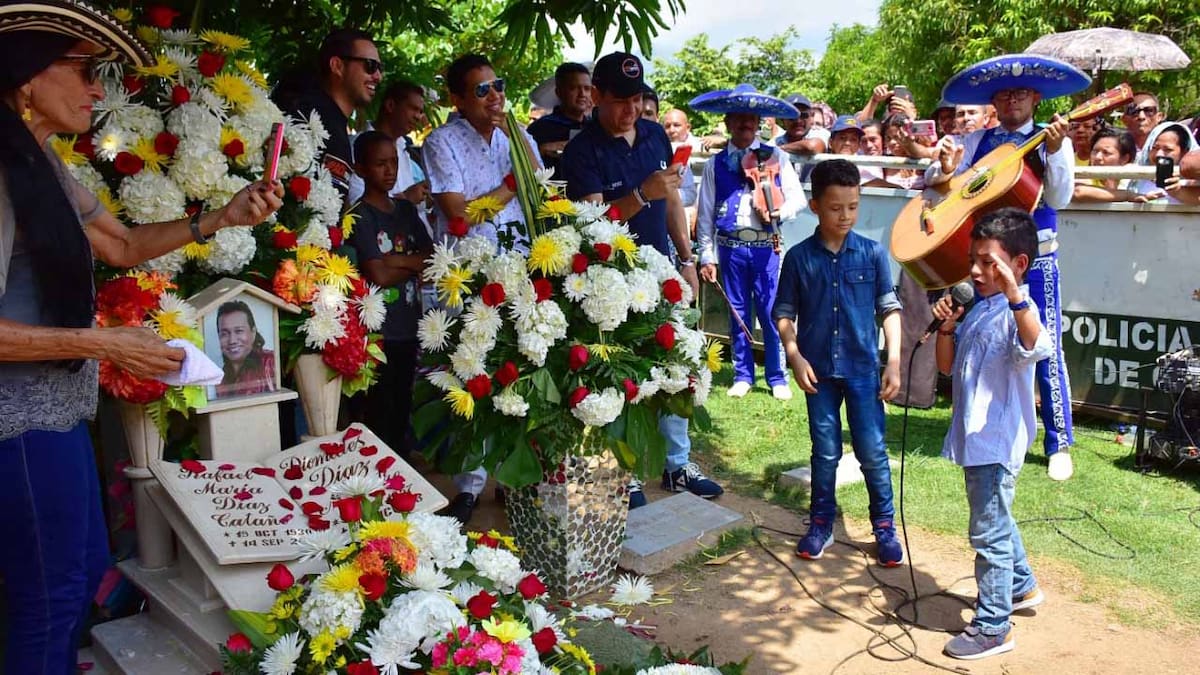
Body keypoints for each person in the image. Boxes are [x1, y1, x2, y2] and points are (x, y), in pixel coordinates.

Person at [0, 4, 283, 671]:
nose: (96, 90)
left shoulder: (39, 159)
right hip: (17, 425)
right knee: (50, 597)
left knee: (78, 579)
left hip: (55, 414)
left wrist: (221, 217)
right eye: (82, 70)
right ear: (26, 76)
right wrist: (105, 343)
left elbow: (123, 244)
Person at [562, 51, 718, 508]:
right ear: (597, 96)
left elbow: (672, 201)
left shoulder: (653, 135)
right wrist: (639, 194)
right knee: (619, 377)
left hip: (661, 270)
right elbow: (592, 225)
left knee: (677, 365)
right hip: (609, 280)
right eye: (620, 100)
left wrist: (686, 257)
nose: (630, 110)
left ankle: (677, 463)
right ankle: (622, 471)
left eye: (636, 99)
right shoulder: (581, 150)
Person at [928, 54, 1085, 481]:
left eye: (1020, 93)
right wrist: (944, 169)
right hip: (985, 260)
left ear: (1036, 98)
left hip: (1037, 258)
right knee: (978, 337)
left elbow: (1060, 197)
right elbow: (942, 184)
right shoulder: (978, 140)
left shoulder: (1052, 138)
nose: (1012, 100)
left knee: (1044, 344)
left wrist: (1056, 151)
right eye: (1004, 94)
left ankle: (1058, 442)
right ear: (993, 101)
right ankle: (977, 426)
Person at [932, 208, 1055, 660]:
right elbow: (947, 367)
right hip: (975, 441)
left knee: (988, 534)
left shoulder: (1020, 310)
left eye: (988, 262)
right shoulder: (982, 309)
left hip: (996, 444)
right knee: (996, 520)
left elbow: (1036, 345)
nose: (976, 271)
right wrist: (947, 326)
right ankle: (1020, 585)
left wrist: (1014, 294)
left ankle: (993, 626)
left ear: (1018, 265)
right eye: (973, 260)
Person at [423, 53, 541, 522]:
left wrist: (518, 141)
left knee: (516, 373)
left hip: (519, 267)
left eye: (499, 85)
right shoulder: (441, 142)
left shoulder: (516, 133)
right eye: (482, 90)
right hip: (468, 275)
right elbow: (459, 215)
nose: (495, 96)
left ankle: (512, 479)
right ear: (457, 99)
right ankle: (469, 486)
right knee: (470, 376)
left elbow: (539, 186)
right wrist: (512, 183)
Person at [773, 159, 904, 567]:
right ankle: (821, 523)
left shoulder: (873, 253)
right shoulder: (798, 258)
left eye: (853, 206)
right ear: (815, 206)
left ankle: (884, 526)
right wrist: (794, 355)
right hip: (818, 373)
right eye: (835, 207)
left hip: (864, 371)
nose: (845, 215)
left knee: (873, 451)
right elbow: (784, 313)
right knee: (825, 452)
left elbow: (889, 309)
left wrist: (893, 361)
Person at [694, 92, 805, 401]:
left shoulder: (776, 156)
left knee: (771, 311)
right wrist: (706, 255)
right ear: (728, 122)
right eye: (739, 118)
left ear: (758, 123)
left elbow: (798, 199)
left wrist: (778, 213)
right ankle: (743, 374)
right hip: (730, 246)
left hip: (766, 246)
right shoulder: (715, 164)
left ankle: (777, 376)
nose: (745, 123)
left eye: (751, 118)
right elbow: (705, 214)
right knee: (737, 311)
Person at [348, 131, 432, 454]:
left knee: (402, 408)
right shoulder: (359, 215)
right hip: (376, 333)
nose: (389, 170)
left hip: (409, 326)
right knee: (378, 412)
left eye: (394, 162)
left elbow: (430, 257)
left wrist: (394, 260)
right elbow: (378, 276)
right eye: (380, 164)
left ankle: (402, 474)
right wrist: (409, 263)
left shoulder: (406, 211)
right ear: (360, 169)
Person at [273, 28, 382, 196]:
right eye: (370, 66)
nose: (378, 76)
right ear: (337, 66)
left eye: (380, 68)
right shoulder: (305, 118)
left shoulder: (333, 121)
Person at [348, 79, 429, 207]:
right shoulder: (357, 145)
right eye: (413, 109)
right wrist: (406, 199)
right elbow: (356, 205)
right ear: (390, 105)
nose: (418, 117)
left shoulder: (403, 148)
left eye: (420, 112)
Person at [526, 62, 592, 177]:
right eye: (573, 88)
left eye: (587, 89)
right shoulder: (539, 129)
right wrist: (541, 150)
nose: (582, 94)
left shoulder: (596, 127)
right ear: (559, 92)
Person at [214, 301, 276, 398]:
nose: (232, 341)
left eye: (239, 331)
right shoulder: (219, 379)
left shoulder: (270, 362)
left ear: (253, 332)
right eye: (224, 334)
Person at [1071, 128, 1136, 201]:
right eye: (1095, 151)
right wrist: (1127, 195)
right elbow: (1077, 191)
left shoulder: (1134, 180)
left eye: (1106, 152)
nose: (1097, 157)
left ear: (1125, 159)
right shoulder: (1085, 179)